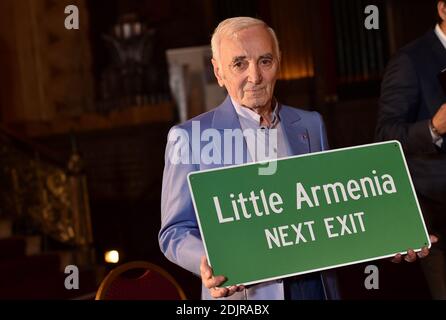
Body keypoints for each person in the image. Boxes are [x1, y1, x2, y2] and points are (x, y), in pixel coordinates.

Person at [160, 16, 430, 300]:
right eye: (239, 64)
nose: (255, 77)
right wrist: (207, 261)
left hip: (317, 287)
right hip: (247, 295)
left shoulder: (311, 124)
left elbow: (334, 209)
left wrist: (394, 236)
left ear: (279, 61)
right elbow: (174, 231)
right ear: (218, 72)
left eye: (265, 61)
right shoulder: (190, 137)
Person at [376, 1, 446, 299]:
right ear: (443, 9)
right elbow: (385, 136)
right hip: (437, 210)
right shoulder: (410, 59)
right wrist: (434, 127)